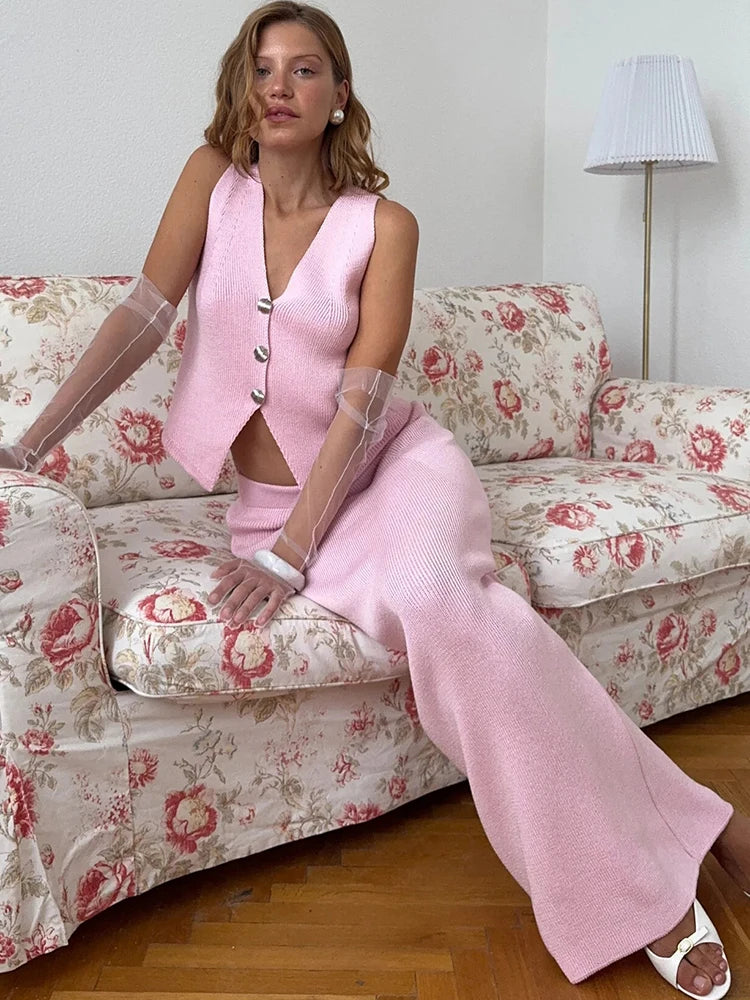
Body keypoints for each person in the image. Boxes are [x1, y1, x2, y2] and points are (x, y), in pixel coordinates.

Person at [3, 3, 749, 995]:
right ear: (240, 85)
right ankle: (702, 822)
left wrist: (293, 549)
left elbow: (363, 400)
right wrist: (25, 445)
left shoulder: (385, 225)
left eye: (304, 67)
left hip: (393, 473)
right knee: (487, 628)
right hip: (269, 502)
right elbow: (142, 316)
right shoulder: (210, 182)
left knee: (444, 602)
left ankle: (644, 897)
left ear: (339, 93)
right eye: (261, 66)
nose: (278, 85)